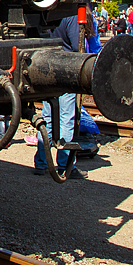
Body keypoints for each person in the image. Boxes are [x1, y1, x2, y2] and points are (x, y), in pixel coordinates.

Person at [33, 10, 86, 179]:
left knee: (47, 118)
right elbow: (77, 45)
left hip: (47, 68)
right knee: (66, 119)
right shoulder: (71, 15)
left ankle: (41, 162)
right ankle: (64, 164)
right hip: (65, 70)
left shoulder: (47, 12)